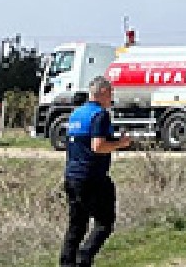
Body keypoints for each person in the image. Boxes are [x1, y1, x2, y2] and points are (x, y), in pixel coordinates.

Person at [60, 76, 132, 267]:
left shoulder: (76, 114)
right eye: (111, 94)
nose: (112, 98)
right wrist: (120, 143)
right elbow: (98, 146)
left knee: (76, 226)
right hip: (92, 177)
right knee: (104, 222)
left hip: (72, 175)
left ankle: (67, 263)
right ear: (103, 93)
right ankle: (85, 256)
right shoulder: (100, 115)